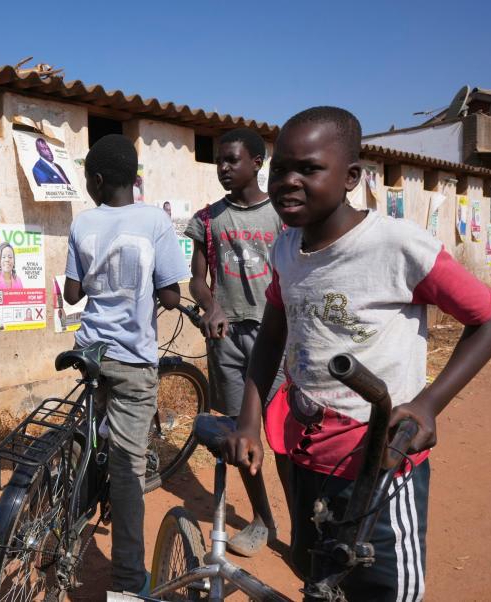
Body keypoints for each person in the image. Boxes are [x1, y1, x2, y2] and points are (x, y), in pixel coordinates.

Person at [221, 107, 491, 601]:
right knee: (321, 575)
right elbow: (273, 331)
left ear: (351, 177)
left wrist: (429, 404)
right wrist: (249, 417)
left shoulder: (396, 245)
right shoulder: (286, 247)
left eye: (308, 168)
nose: (288, 181)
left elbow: (489, 317)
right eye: (280, 168)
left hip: (379, 462)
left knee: (383, 588)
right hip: (304, 453)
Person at [64, 134, 189, 595]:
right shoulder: (155, 220)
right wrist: (159, 293)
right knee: (128, 470)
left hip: (92, 352)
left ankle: (67, 520)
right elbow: (172, 295)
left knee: (89, 433)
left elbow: (72, 294)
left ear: (97, 181)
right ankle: (128, 582)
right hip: (134, 361)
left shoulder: (83, 224)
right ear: (132, 180)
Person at [184, 127, 285, 557]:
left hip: (276, 337)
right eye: (219, 161)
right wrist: (211, 306)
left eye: (232, 160)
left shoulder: (282, 214)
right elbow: (197, 279)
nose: (223, 168)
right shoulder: (208, 219)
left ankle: (312, 528)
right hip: (226, 340)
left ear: (257, 163)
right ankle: (263, 518)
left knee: (286, 435)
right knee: (238, 437)